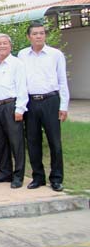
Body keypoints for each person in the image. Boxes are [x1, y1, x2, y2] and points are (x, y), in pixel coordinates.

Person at [18, 22, 70, 192]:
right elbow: (20, 82)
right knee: (33, 141)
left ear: (45, 35)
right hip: (31, 102)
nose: (39, 36)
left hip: (50, 101)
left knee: (54, 141)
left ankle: (56, 178)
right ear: (29, 37)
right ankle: (37, 177)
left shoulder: (55, 54)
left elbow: (62, 81)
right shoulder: (22, 55)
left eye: (41, 33)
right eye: (35, 33)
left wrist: (63, 105)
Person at [0, 34, 28, 188]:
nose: (2, 46)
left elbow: (22, 87)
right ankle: (5, 172)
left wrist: (20, 108)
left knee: (16, 142)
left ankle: (18, 175)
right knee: (0, 142)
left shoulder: (17, 64)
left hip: (11, 106)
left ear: (10, 46)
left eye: (5, 43)